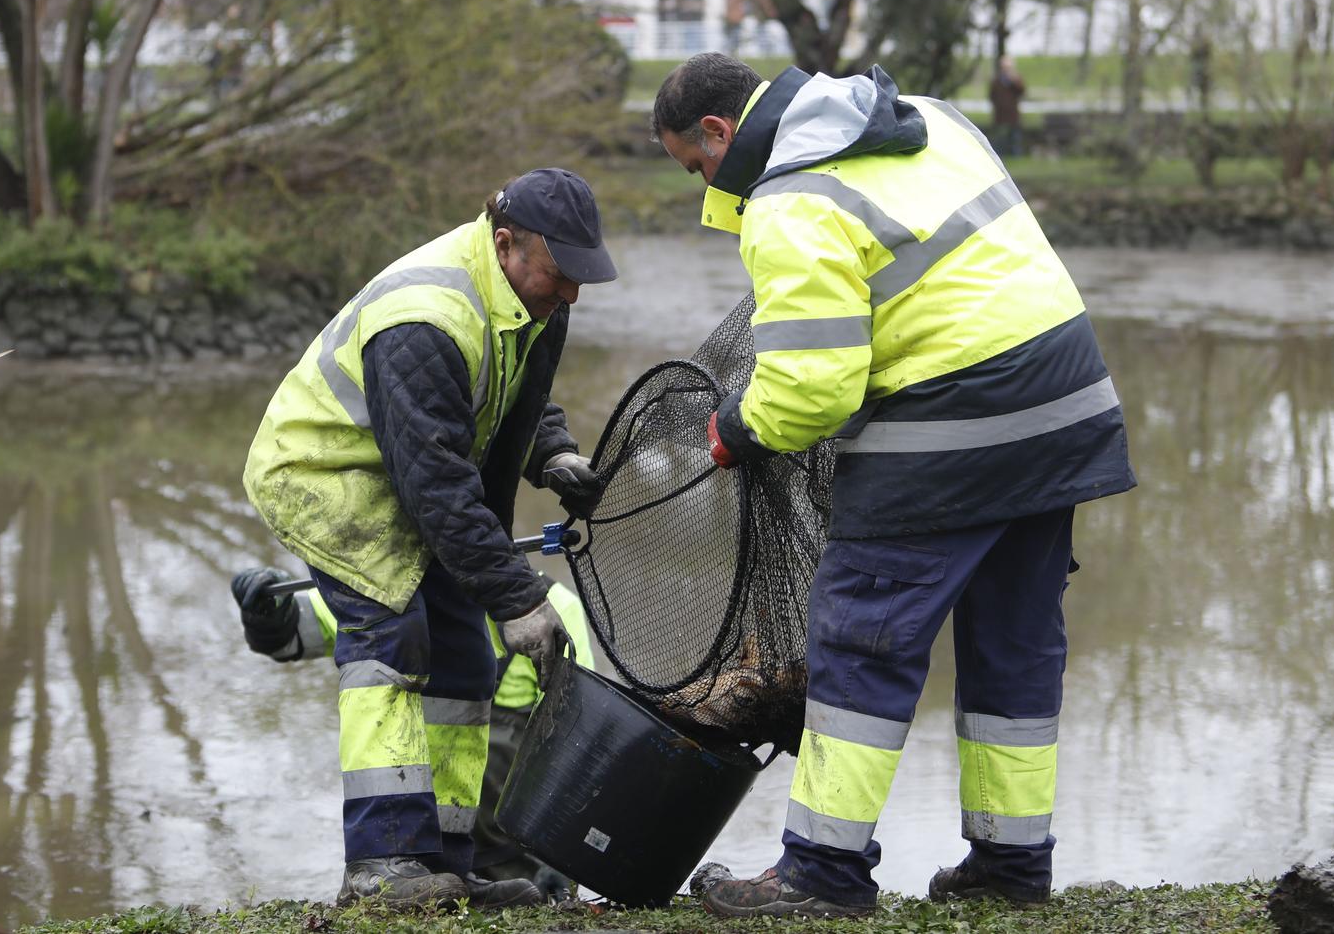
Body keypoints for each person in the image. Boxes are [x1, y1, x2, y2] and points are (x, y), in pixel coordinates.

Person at [650, 53, 1134, 917]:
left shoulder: (791, 201)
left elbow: (814, 388)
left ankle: (822, 875)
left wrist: (735, 428)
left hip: (955, 419)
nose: (703, 188)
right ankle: (1012, 865)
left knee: (860, 637)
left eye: (696, 167)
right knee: (1014, 639)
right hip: (1063, 408)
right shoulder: (927, 114)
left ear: (720, 133)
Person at [242, 168, 615, 912]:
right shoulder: (426, 314)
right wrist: (516, 596)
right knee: (391, 642)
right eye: (558, 272)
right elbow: (437, 486)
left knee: (466, 659)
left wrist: (554, 453)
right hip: (328, 474)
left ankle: (448, 861)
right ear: (505, 244)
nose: (569, 292)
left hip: (413, 470)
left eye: (580, 275)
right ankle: (384, 864)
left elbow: (514, 392)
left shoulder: (536, 295)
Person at [229, 564, 595, 900]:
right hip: (411, 856)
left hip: (514, 851)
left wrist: (560, 853)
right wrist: (267, 611)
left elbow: (575, 742)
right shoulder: (392, 585)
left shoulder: (551, 609)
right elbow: (291, 635)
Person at [989, 54, 1027, 157]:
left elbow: (1022, 91)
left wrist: (1013, 80)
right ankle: (1000, 155)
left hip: (1012, 113)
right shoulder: (996, 80)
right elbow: (992, 95)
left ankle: (1016, 155)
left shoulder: (1016, 78)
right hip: (1000, 113)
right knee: (1000, 137)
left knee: (1015, 137)